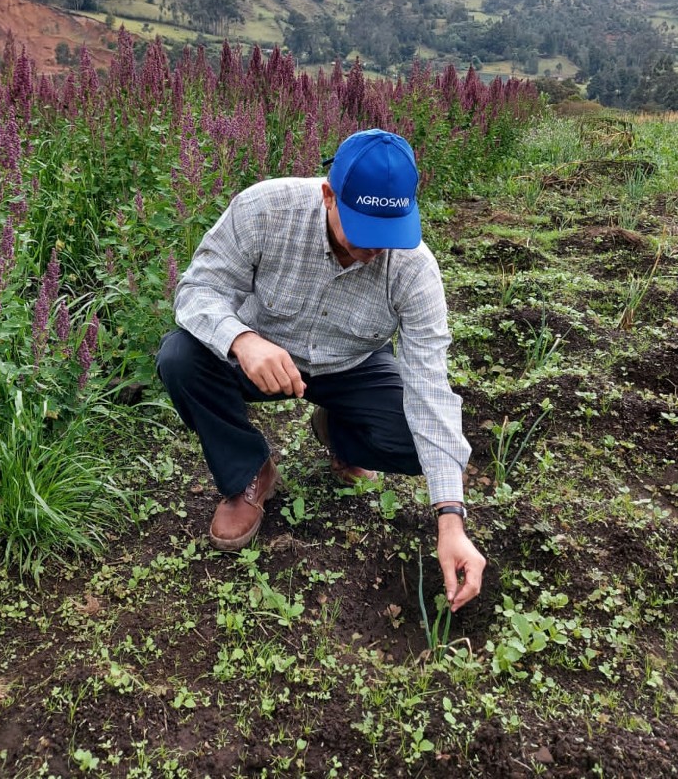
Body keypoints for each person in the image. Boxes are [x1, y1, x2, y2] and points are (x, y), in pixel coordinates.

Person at [156, 128, 485, 612]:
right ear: (329, 195)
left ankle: (339, 431)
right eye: (364, 229)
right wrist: (243, 340)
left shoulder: (414, 270)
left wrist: (450, 521)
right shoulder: (264, 210)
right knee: (180, 358)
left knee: (422, 441)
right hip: (263, 356)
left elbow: (431, 388)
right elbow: (197, 291)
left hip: (353, 365)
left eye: (388, 233)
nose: (376, 248)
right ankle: (249, 473)